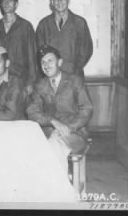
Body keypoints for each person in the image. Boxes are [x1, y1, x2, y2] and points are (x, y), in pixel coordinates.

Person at [26, 45, 93, 173]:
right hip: (49, 132)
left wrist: (70, 127)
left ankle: (56, 187)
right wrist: (52, 121)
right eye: (43, 62)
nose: (46, 65)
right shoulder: (40, 85)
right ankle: (61, 185)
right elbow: (32, 111)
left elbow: (87, 109)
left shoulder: (75, 81)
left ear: (60, 62)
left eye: (50, 60)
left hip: (75, 134)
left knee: (53, 145)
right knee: (50, 145)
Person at [35, 0, 93, 78]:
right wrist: (50, 69)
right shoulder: (43, 25)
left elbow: (87, 50)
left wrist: (74, 68)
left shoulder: (79, 23)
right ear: (52, 2)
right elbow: (40, 52)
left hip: (74, 77)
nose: (59, 2)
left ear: (68, 0)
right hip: (50, 78)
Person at [0, 0, 38, 95]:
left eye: (10, 0)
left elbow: (32, 57)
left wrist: (31, 82)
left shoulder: (25, 27)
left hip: (20, 80)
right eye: (4, 1)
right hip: (0, 80)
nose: (7, 3)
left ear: (16, 4)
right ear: (0, 4)